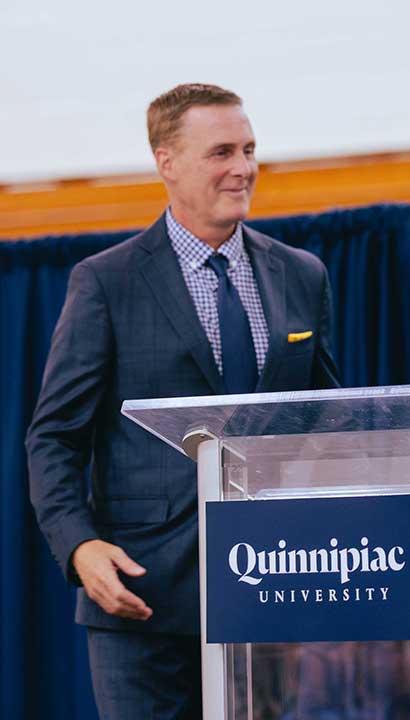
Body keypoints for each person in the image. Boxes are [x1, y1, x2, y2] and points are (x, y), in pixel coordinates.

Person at [26, 83, 340, 720]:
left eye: (250, 149)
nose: (244, 168)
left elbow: (328, 419)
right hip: (143, 599)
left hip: (270, 586)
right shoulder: (106, 281)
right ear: (166, 162)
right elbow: (55, 436)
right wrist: (80, 546)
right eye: (222, 151)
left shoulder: (302, 273)